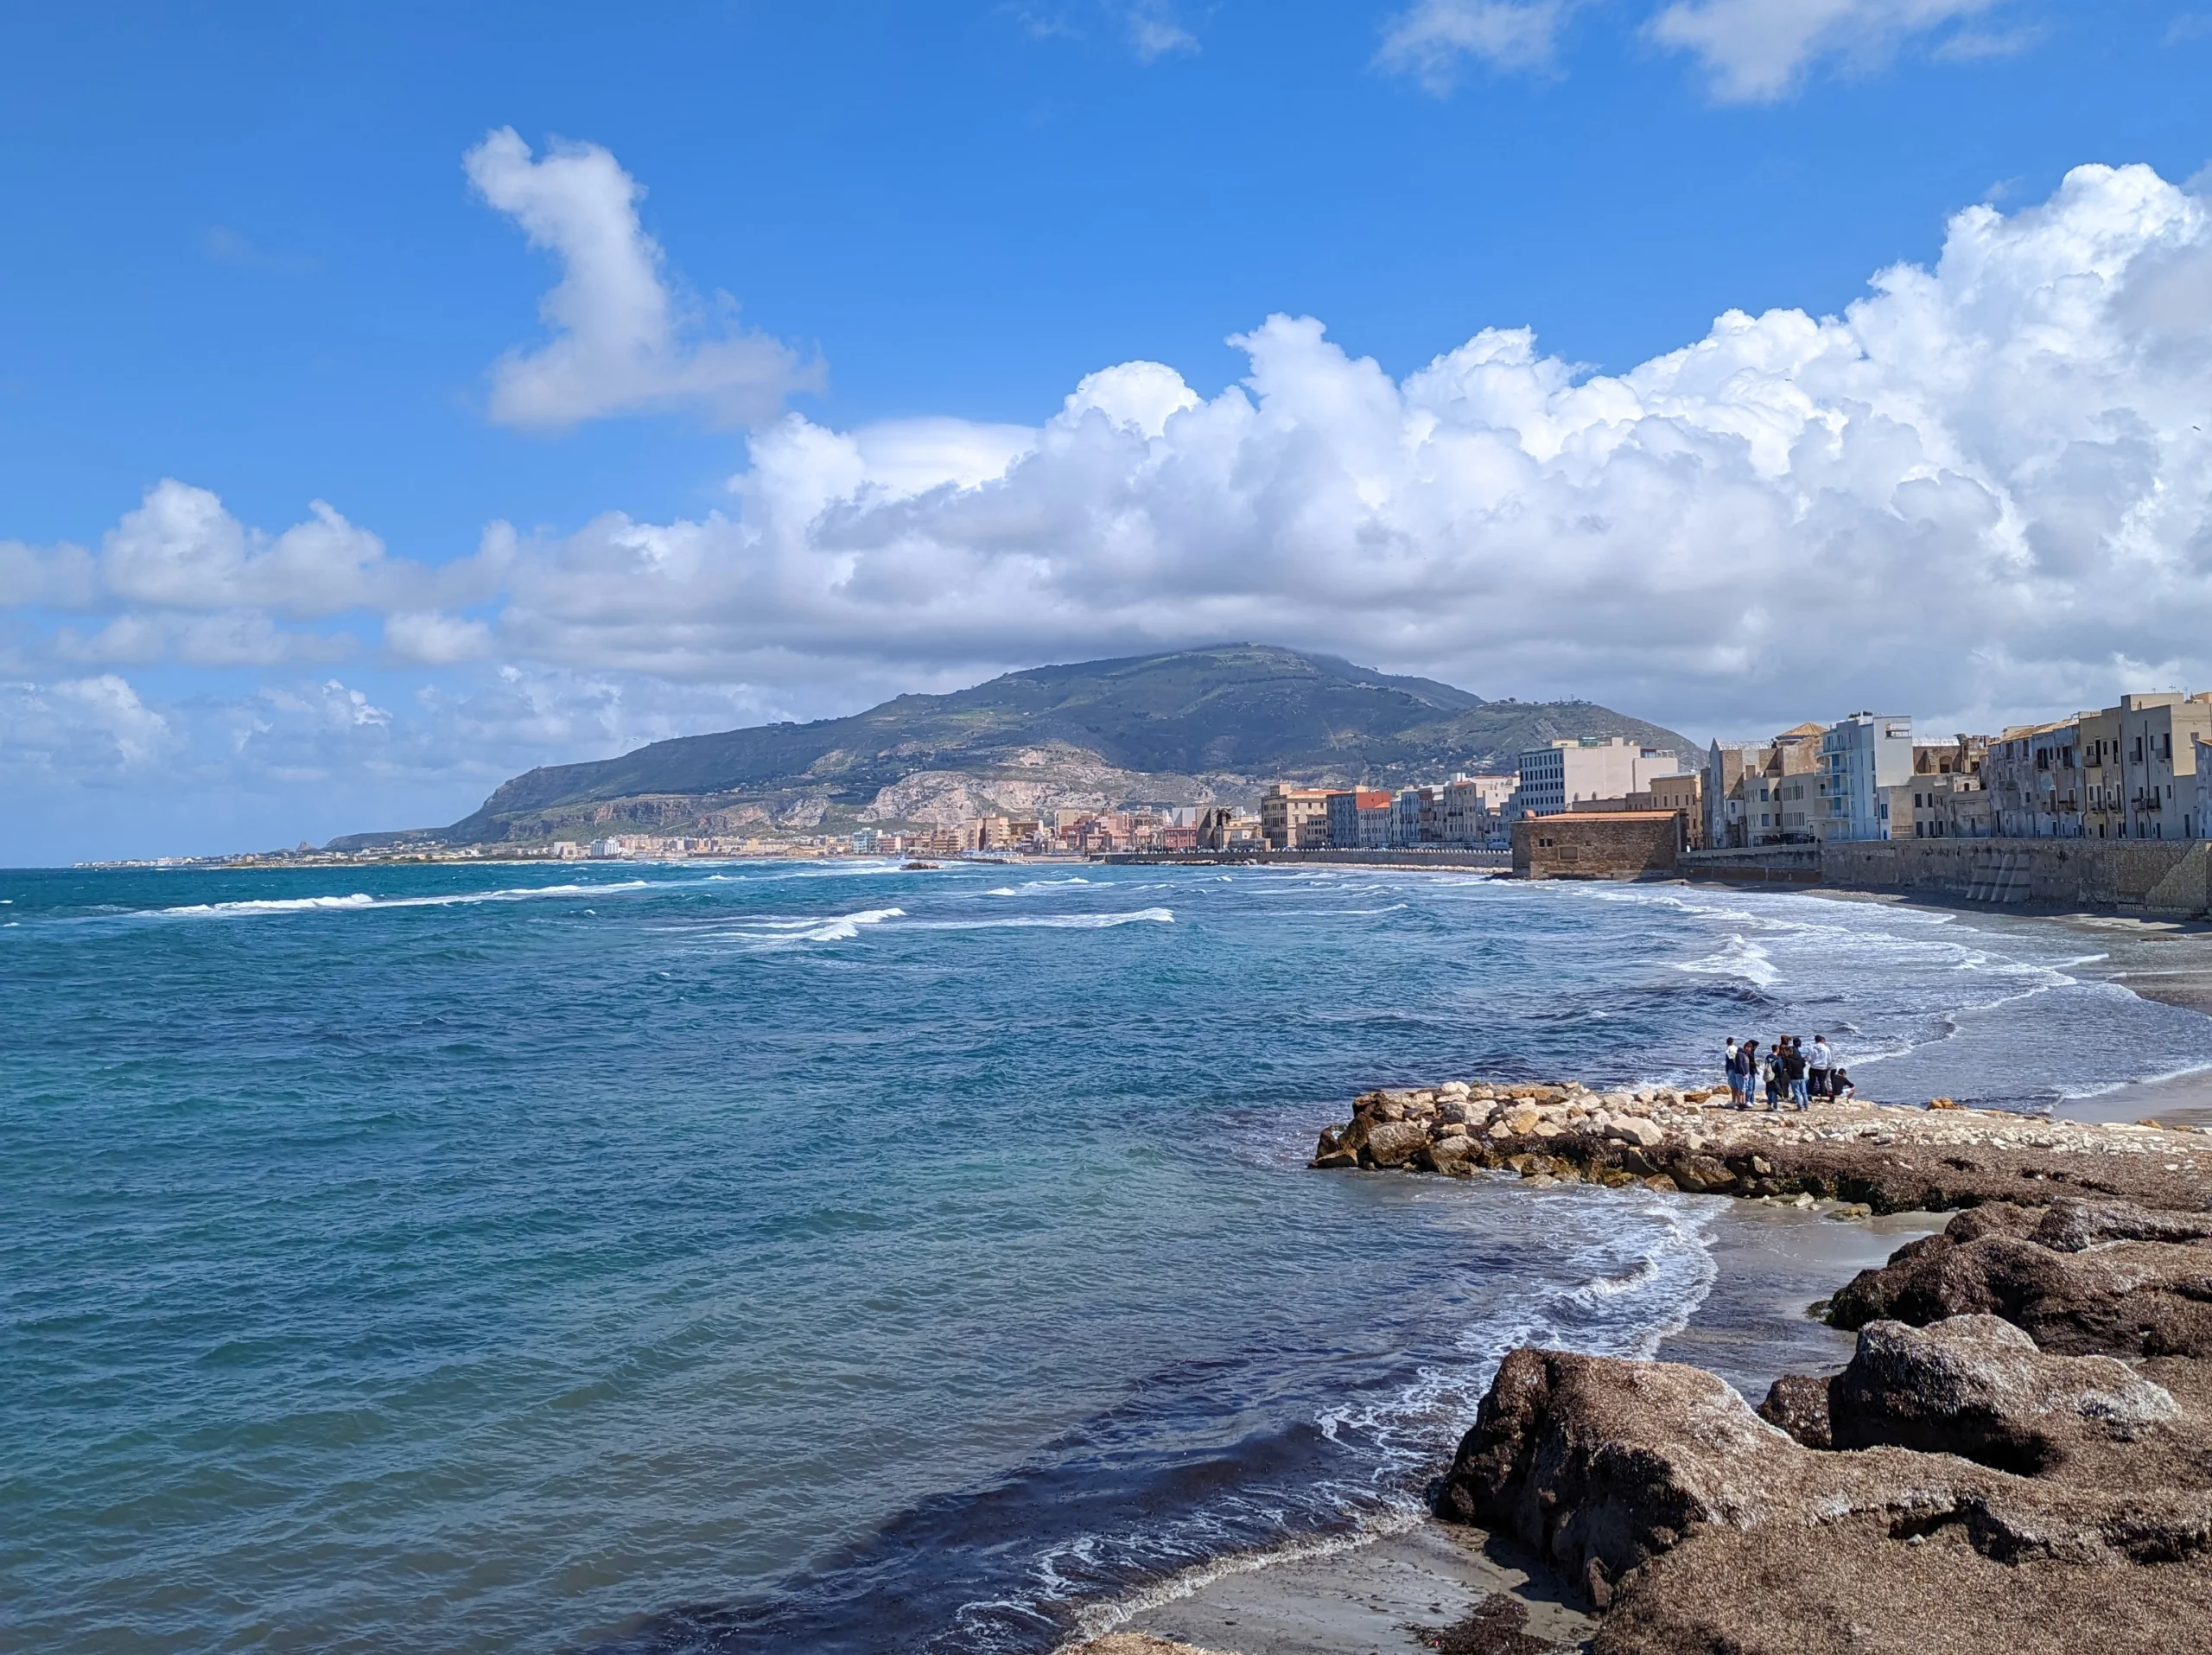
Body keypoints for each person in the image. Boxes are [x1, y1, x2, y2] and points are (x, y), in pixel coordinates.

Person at [1783, 1037, 1810, 1110]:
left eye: (1785, 1052)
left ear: (1788, 1052)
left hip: (1794, 1077)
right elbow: (1804, 1064)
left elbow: (1789, 1069)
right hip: (1801, 1076)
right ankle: (1807, 1105)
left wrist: (1789, 1074)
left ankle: (1800, 1106)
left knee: (1797, 1092)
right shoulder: (1799, 1056)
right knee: (1804, 1092)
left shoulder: (1788, 1059)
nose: (1784, 1053)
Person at [1808, 1034, 1835, 1100]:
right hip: (1823, 1068)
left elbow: (1809, 1058)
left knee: (1812, 1082)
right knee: (1823, 1082)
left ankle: (1809, 1095)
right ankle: (1824, 1094)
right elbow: (1829, 1059)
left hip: (1814, 1067)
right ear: (1821, 1040)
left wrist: (1811, 1062)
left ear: (1815, 1040)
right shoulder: (1826, 1049)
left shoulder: (1812, 1048)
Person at [1735, 1041, 1759, 1109]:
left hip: (1747, 1073)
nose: (1751, 1049)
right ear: (1747, 1047)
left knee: (1744, 1088)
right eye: (1750, 1048)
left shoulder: (1746, 1053)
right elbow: (1740, 1065)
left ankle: (1743, 1102)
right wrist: (1743, 1074)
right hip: (1741, 1074)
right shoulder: (1740, 1054)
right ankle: (1741, 1102)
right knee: (1742, 1088)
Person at [1725, 1038, 1743, 1105]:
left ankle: (1733, 1101)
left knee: (1733, 1086)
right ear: (1733, 1042)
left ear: (1727, 1043)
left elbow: (1728, 1061)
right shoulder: (1737, 1048)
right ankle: (1739, 1100)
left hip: (1731, 1069)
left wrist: (1726, 1070)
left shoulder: (1728, 1049)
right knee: (1738, 1085)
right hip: (1738, 1069)